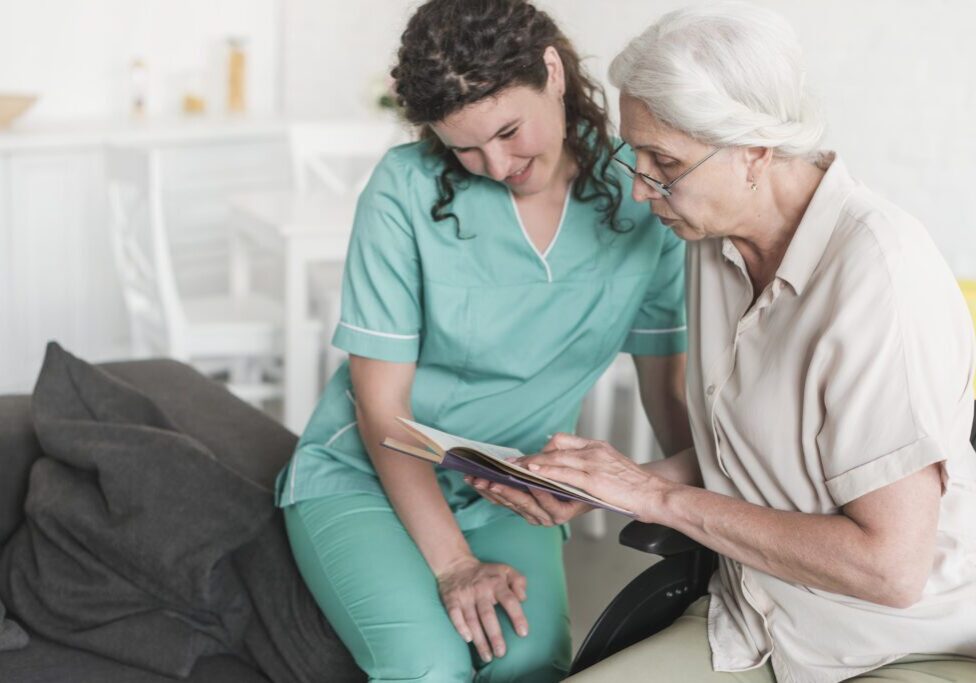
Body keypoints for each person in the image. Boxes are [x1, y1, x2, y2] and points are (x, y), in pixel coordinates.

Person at [474, 4, 976, 682]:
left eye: (665, 162)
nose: (639, 186)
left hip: (892, 644)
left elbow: (889, 566)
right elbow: (759, 457)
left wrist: (657, 500)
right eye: (637, 153)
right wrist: (616, 484)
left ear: (756, 152)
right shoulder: (712, 239)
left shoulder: (881, 276)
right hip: (752, 621)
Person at [274, 1, 692, 680]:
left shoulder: (640, 194)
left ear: (552, 72)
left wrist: (680, 506)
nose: (495, 164)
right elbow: (381, 410)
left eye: (507, 131)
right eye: (463, 148)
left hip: (509, 491)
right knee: (429, 667)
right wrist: (455, 565)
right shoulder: (402, 191)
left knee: (530, 663)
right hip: (365, 479)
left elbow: (666, 389)